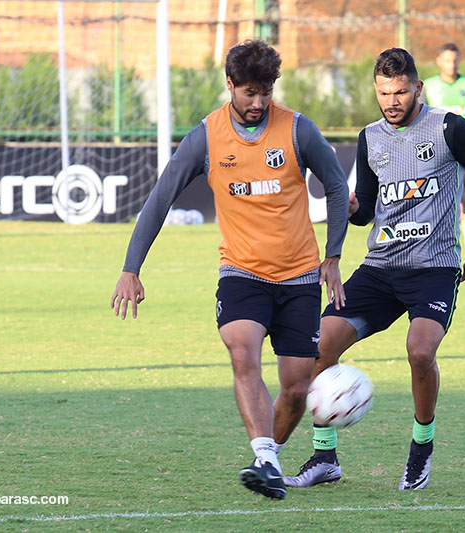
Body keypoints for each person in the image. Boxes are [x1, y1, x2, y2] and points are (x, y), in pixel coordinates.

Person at [110, 39, 349, 501]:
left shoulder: (299, 130)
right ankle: (264, 456)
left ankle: (269, 462)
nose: (259, 103)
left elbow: (337, 187)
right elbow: (160, 200)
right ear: (230, 86)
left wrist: (333, 257)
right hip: (241, 272)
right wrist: (131, 268)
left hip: (300, 277)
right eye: (249, 93)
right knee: (243, 351)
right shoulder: (205, 137)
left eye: (266, 92)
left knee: (297, 387)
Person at [283, 48, 465, 491]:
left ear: (417, 88)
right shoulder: (370, 138)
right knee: (319, 348)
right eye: (384, 92)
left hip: (434, 270)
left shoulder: (448, 128)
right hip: (380, 269)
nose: (392, 100)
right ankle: (325, 456)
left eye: (401, 91)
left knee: (420, 352)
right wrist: (354, 206)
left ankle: (422, 447)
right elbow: (366, 209)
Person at [421, 43, 465, 255]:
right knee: (436, 198)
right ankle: (434, 245)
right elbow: (421, 119)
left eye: (455, 59)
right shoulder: (429, 86)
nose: (452, 64)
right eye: (448, 60)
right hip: (439, 151)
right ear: (439, 61)